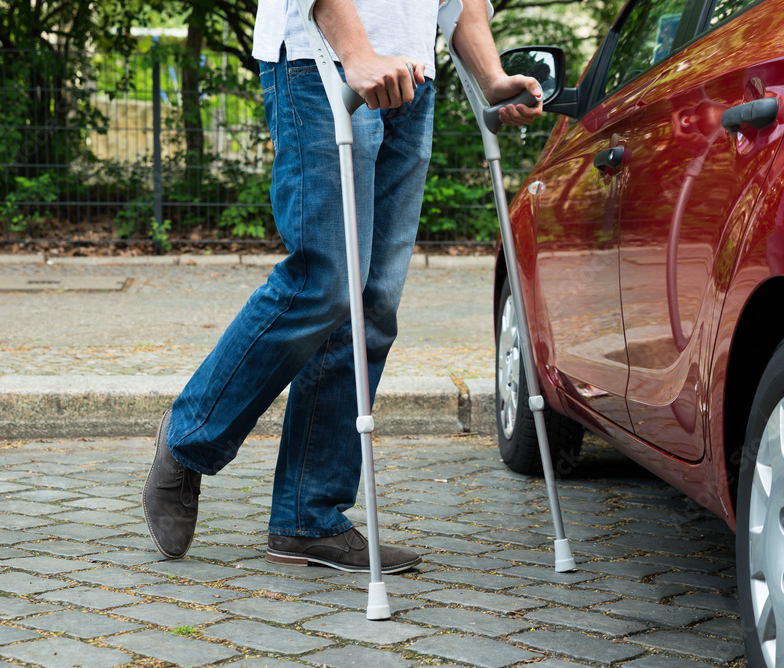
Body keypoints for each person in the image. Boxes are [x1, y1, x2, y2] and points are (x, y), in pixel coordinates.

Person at [142, 0, 542, 573]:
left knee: (372, 305)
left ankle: (309, 520)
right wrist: (356, 54)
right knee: (325, 282)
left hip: (412, 79)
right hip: (320, 61)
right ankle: (187, 439)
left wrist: (493, 78)